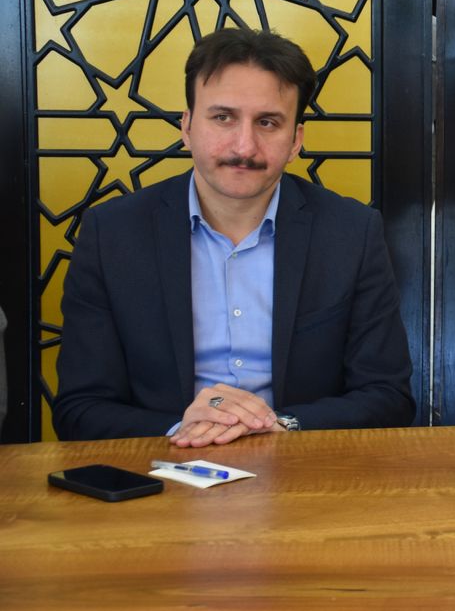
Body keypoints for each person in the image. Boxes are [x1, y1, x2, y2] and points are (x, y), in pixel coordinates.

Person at [54, 28, 414, 445]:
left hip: (301, 466)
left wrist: (282, 425)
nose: (244, 147)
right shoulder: (111, 233)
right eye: (223, 118)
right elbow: (79, 408)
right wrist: (182, 429)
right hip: (161, 467)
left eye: (268, 122)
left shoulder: (351, 232)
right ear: (187, 127)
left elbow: (388, 397)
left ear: (295, 140)